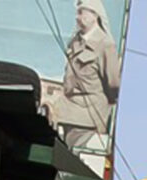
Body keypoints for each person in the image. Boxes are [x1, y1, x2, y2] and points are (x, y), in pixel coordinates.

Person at [45, 0, 121, 150]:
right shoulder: (76, 41)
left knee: (70, 154)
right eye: (77, 13)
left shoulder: (105, 45)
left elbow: (113, 85)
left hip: (88, 115)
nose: (77, 17)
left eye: (81, 12)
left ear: (94, 15)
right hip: (68, 109)